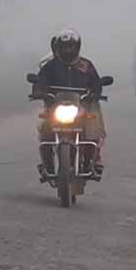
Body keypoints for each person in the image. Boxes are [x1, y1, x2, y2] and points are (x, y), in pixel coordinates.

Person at [33, 28, 106, 174]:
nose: (68, 49)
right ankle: (47, 165)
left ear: (77, 46)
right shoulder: (50, 66)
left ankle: (93, 159)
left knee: (93, 126)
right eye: (65, 46)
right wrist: (39, 92)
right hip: (55, 107)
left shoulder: (86, 65)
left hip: (81, 107)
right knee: (45, 129)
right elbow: (40, 81)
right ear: (59, 47)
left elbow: (96, 83)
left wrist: (96, 93)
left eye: (71, 46)